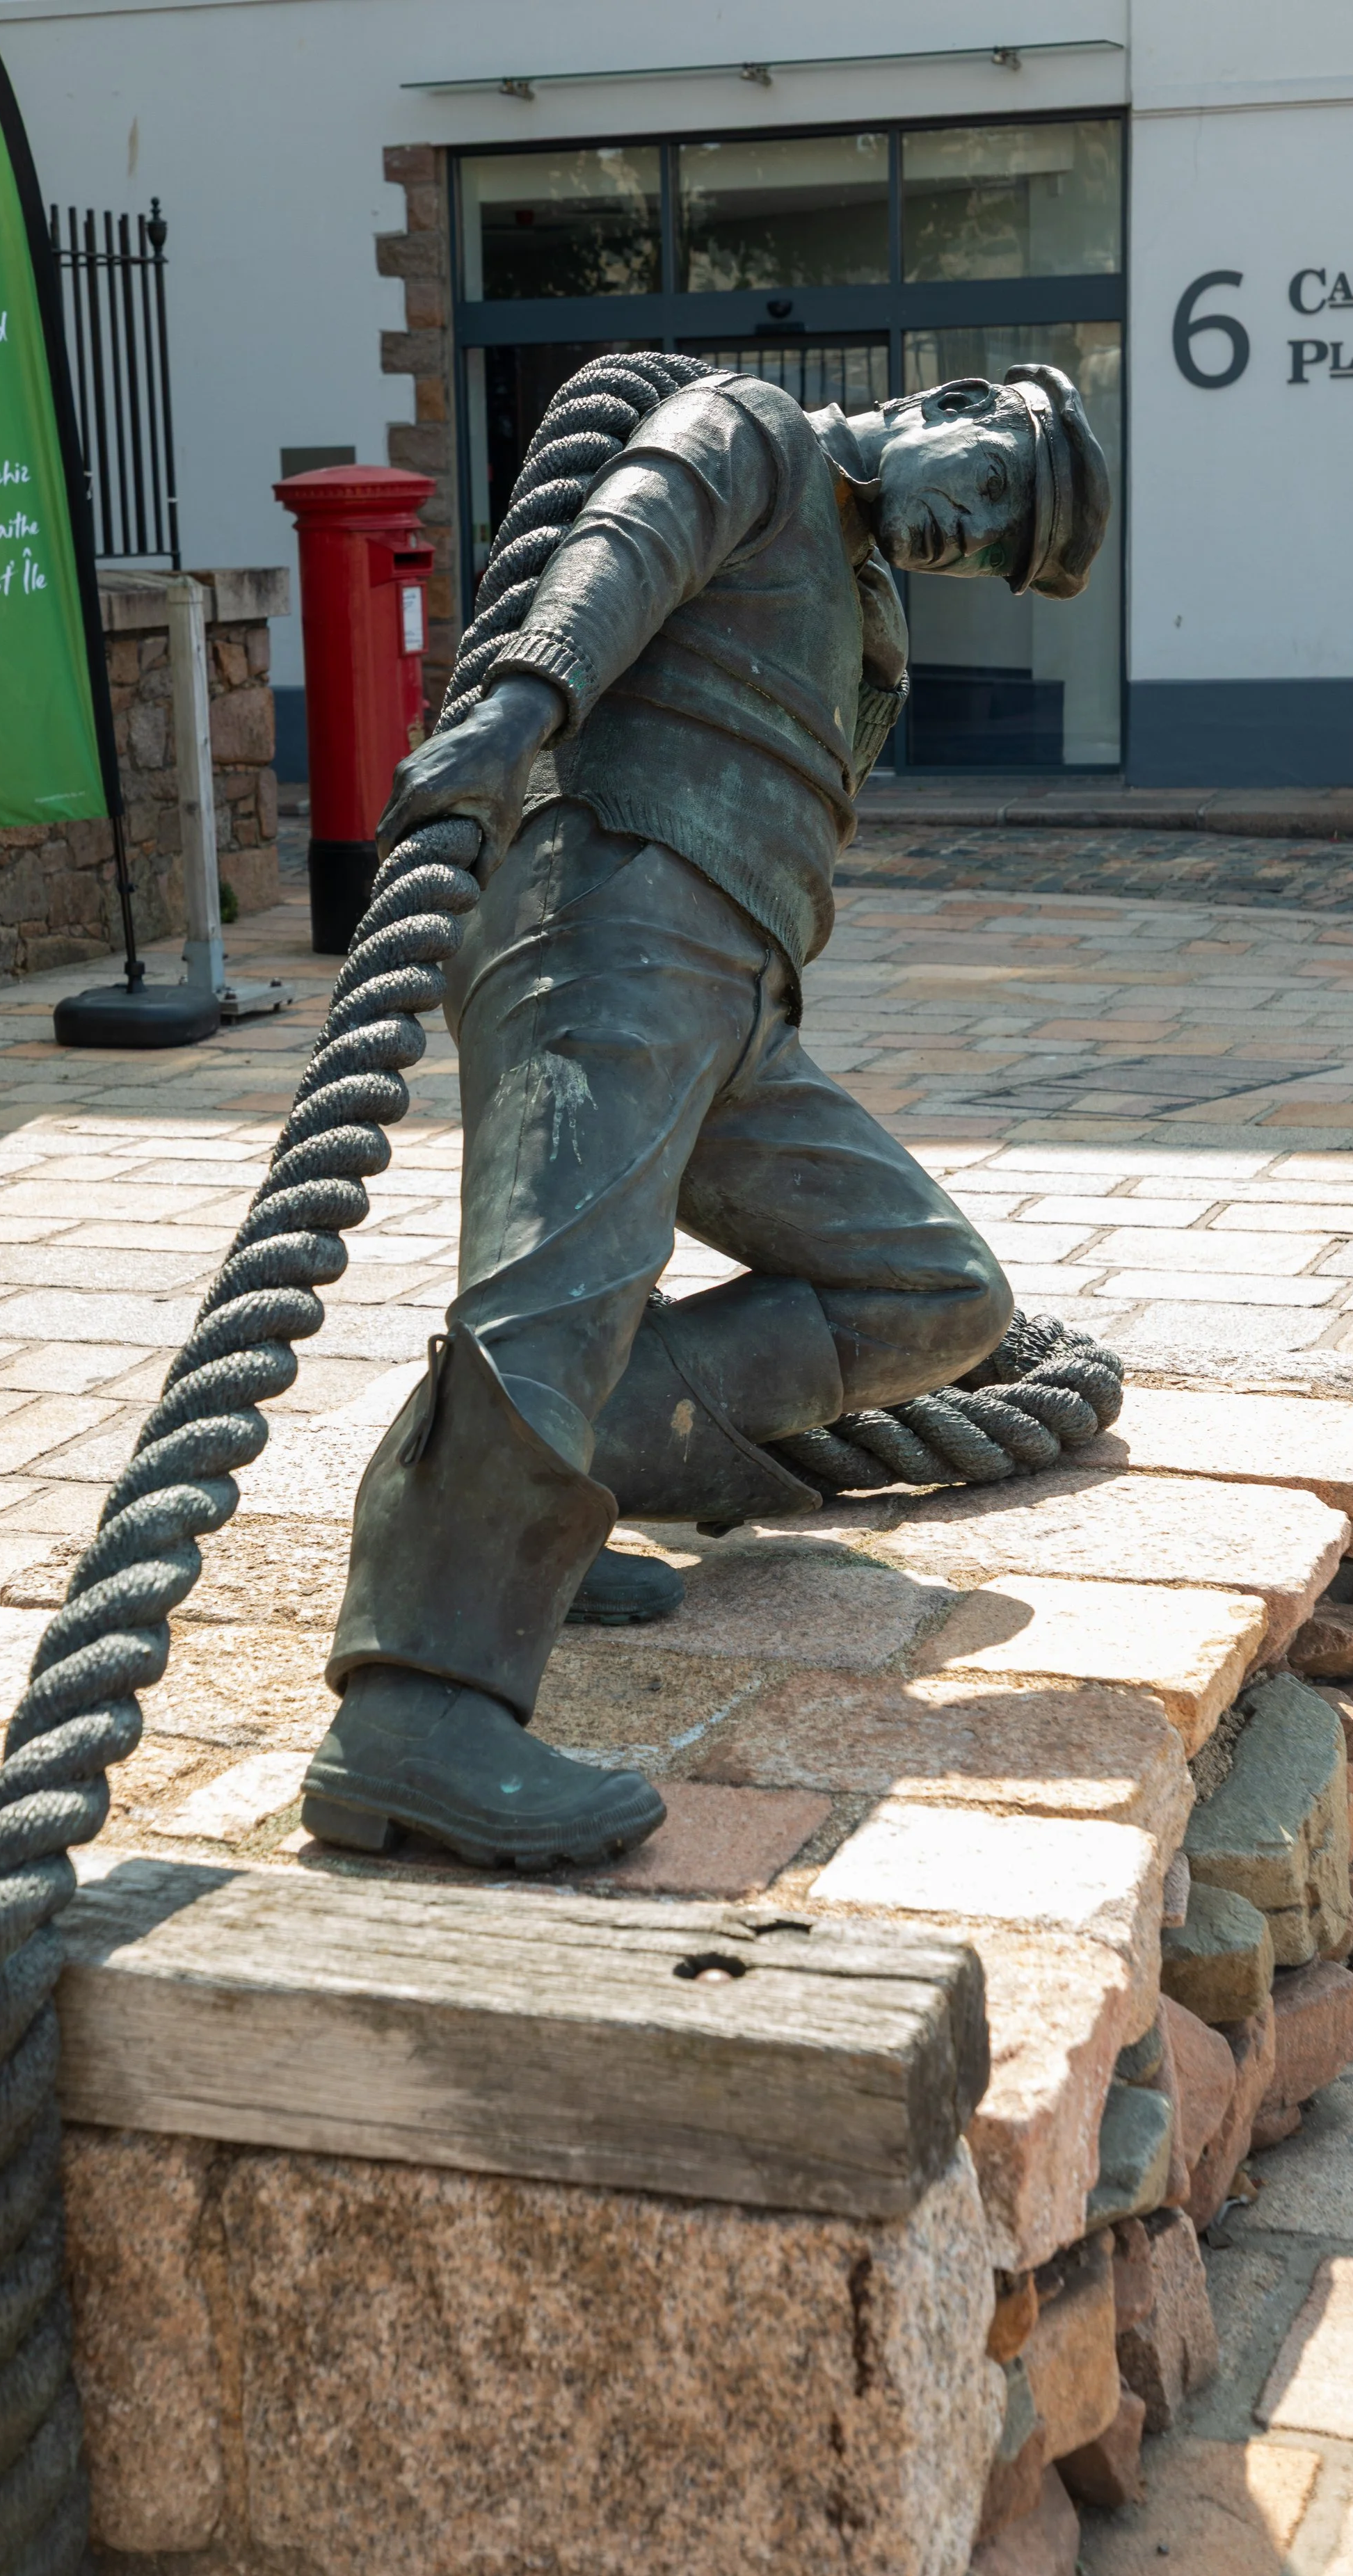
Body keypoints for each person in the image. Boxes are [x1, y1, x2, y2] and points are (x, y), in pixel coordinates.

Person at [300, 361, 1111, 1869]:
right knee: (556, 1294)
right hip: (608, 916)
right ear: (949, 401)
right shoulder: (752, 437)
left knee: (931, 1292)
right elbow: (627, 538)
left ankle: (556, 1491)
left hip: (732, 988)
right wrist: (508, 716)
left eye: (996, 542)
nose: (971, 529)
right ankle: (413, 1710)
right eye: (991, 481)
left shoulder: (862, 589)